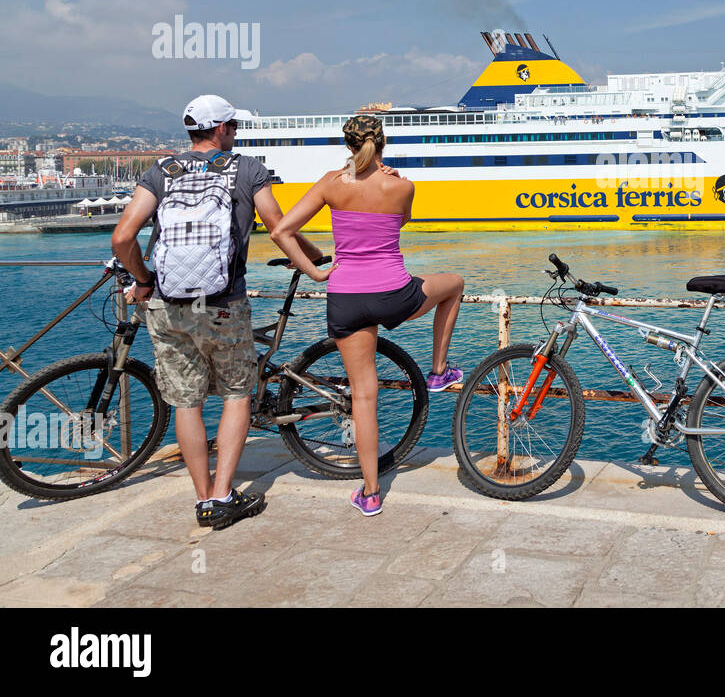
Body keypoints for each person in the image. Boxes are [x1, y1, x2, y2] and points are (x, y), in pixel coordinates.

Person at [111, 95, 325, 530]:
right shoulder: (248, 169)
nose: (236, 133)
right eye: (234, 126)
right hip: (224, 303)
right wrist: (314, 262)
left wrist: (144, 279)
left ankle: (203, 500)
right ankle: (225, 496)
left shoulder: (160, 170)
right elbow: (278, 225)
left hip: (169, 307)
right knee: (235, 394)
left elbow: (121, 237)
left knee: (187, 403)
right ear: (223, 129)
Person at [270, 114, 464, 516]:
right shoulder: (402, 185)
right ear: (383, 143)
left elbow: (281, 232)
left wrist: (316, 272)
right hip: (395, 294)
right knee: (456, 284)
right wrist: (386, 177)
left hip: (345, 298)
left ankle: (371, 492)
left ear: (347, 144)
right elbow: (402, 219)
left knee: (363, 396)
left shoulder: (329, 183)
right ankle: (439, 370)